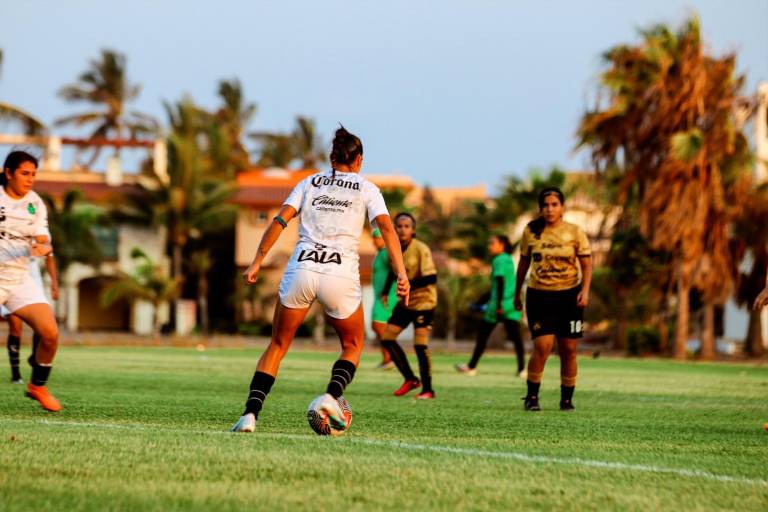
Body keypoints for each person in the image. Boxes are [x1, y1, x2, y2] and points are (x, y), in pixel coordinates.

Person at [231, 126, 409, 433]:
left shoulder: (309, 182)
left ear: (332, 157)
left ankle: (250, 415)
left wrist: (257, 260)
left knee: (277, 344)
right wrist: (402, 273)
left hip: (302, 267)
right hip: (339, 274)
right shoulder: (367, 189)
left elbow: (279, 220)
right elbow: (388, 230)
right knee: (353, 343)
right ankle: (331, 395)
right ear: (359, 160)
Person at [514, 187, 592, 412]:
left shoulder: (575, 232)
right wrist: (517, 293)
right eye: (545, 205)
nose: (549, 209)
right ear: (540, 208)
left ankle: (566, 399)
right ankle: (532, 396)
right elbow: (523, 264)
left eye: (554, 204)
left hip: (570, 296)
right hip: (540, 295)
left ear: (562, 207)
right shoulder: (531, 231)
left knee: (569, 349)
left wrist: (585, 291)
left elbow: (587, 264)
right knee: (543, 345)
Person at [0, 150, 60, 411]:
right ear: (8, 173)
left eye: (34, 174)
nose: (30, 179)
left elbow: (43, 238)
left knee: (50, 333)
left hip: (18, 279)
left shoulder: (35, 203)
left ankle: (37, 386)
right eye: (25, 173)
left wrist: (43, 246)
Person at [380, 212, 438, 399]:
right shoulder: (393, 248)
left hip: (425, 303)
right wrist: (384, 291)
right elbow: (394, 271)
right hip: (406, 303)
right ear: (394, 228)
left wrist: (407, 285)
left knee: (420, 345)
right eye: (399, 226)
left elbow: (432, 277)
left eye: (407, 226)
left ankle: (428, 390)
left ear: (413, 230)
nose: (402, 229)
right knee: (387, 338)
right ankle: (410, 379)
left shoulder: (421, 248)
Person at [456, 234, 525, 377]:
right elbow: (495, 287)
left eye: (492, 243)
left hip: (499, 306)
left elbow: (499, 282)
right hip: (511, 305)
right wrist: (479, 302)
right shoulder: (509, 260)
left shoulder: (499, 259)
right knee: (516, 338)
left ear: (502, 245)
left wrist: (498, 305)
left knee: (482, 336)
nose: (489, 246)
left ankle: (471, 367)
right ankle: (522, 370)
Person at [5, 253, 59, 384]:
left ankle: (36, 358)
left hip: (32, 278)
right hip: (8, 276)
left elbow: (48, 255)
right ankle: (16, 374)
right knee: (15, 327)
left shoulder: (39, 232)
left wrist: (54, 283)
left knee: (43, 326)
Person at [370, 227, 397, 369]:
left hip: (387, 296)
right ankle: (387, 358)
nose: (375, 240)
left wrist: (387, 292)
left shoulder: (387, 252)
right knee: (379, 327)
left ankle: (391, 356)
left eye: (378, 237)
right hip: (379, 296)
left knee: (378, 325)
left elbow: (395, 269)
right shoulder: (379, 253)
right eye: (374, 237)